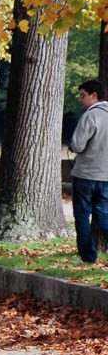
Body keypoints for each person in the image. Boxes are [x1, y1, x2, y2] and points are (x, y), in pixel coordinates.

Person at [69, 80, 108, 263]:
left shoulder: (90, 116)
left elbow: (77, 145)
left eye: (83, 95)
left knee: (82, 216)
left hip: (86, 174)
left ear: (94, 95)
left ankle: (88, 257)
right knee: (103, 215)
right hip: (106, 176)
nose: (80, 99)